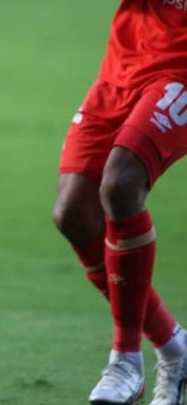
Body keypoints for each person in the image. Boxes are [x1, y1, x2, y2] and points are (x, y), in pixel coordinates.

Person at [52, 1, 187, 404]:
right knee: (74, 211)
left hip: (181, 69)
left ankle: (125, 360)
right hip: (127, 60)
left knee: (121, 183)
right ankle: (175, 349)